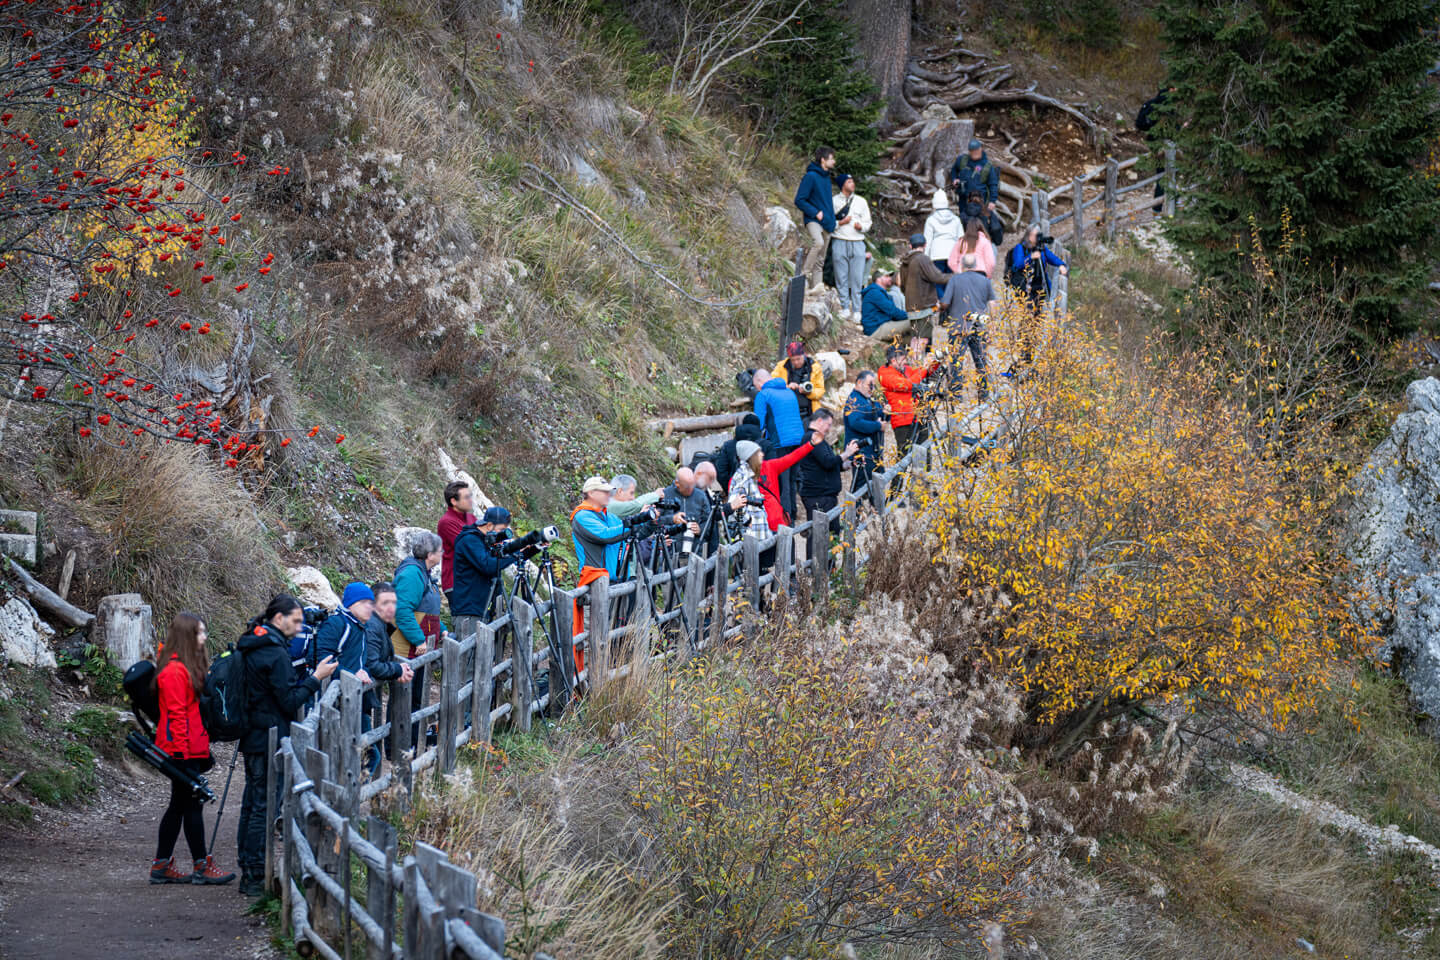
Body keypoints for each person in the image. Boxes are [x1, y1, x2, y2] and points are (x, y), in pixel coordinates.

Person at [238, 595, 338, 896]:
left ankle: (249, 865)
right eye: (295, 621)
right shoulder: (275, 653)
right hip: (270, 733)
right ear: (278, 619)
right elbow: (289, 700)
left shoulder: (252, 642)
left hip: (252, 732)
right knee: (264, 805)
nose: (299, 627)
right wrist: (316, 678)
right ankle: (255, 875)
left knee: (251, 801)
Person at [149, 612, 235, 887]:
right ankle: (201, 865)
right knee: (191, 806)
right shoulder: (174, 671)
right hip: (180, 751)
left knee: (179, 806)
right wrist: (183, 757)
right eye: (199, 632)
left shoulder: (184, 666)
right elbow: (177, 717)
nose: (204, 637)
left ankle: (162, 865)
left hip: (187, 749)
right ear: (187, 636)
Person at [727, 431, 822, 573]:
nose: (762, 454)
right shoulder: (741, 478)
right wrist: (747, 522)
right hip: (758, 530)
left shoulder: (770, 466)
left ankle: (787, 588)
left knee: (787, 561)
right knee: (760, 567)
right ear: (751, 457)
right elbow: (735, 504)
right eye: (759, 452)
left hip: (778, 524)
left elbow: (791, 458)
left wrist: (810, 445)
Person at [570, 476, 628, 672]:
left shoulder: (608, 515)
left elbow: (626, 533)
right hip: (593, 582)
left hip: (612, 582)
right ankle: (584, 683)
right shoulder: (582, 516)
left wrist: (649, 523)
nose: (609, 494)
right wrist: (631, 524)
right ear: (591, 493)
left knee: (608, 632)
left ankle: (603, 675)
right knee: (590, 633)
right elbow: (606, 536)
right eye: (604, 491)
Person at [362, 582, 413, 774]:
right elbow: (373, 665)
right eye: (385, 603)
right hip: (355, 700)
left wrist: (396, 669)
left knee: (367, 754)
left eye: (394, 602)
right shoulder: (373, 627)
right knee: (368, 755)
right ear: (373, 605)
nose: (391, 608)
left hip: (362, 700)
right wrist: (397, 670)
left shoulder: (380, 625)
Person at [1005, 225, 1068, 365]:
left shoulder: (1043, 249)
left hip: (1039, 289)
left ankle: (1032, 349)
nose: (1036, 238)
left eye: (1038, 235)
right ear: (1028, 236)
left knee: (1037, 319)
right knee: (1028, 317)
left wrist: (1062, 265)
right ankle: (1024, 350)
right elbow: (1017, 265)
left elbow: (1053, 259)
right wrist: (1031, 257)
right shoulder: (1020, 248)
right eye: (1034, 235)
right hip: (1025, 290)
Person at [940, 252, 998, 401]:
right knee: (981, 360)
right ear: (975, 265)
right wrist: (992, 323)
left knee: (956, 361)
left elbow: (945, 303)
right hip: (978, 327)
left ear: (963, 265)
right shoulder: (985, 281)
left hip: (959, 327)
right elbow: (992, 303)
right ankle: (984, 393)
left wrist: (941, 307)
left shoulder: (954, 280)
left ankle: (956, 394)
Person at [751, 368, 805, 522]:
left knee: (782, 483)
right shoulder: (789, 391)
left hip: (781, 442)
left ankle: (786, 520)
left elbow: (759, 423)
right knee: (792, 480)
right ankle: (793, 514)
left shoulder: (763, 395)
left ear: (759, 382)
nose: (757, 389)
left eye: (756, 386)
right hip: (798, 441)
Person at [795, 409, 859, 534]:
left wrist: (848, 464)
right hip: (818, 496)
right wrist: (847, 453)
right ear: (819, 421)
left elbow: (828, 465)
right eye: (828, 425)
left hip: (823, 495)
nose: (829, 429)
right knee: (819, 536)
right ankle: (817, 555)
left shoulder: (817, 440)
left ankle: (827, 554)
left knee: (830, 533)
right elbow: (828, 462)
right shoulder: (812, 438)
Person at [452, 507, 521, 621]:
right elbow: (488, 566)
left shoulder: (488, 540)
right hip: (469, 612)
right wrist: (514, 554)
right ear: (489, 526)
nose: (503, 535)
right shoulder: (470, 540)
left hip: (484, 609)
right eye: (501, 530)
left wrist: (533, 547)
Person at [793, 146, 838, 292]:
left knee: (820, 261)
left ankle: (816, 290)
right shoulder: (810, 176)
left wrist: (832, 220)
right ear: (823, 160)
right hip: (813, 219)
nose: (834, 162)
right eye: (832, 159)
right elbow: (799, 200)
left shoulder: (827, 178)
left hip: (828, 223)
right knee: (817, 243)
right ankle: (802, 276)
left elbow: (827, 202)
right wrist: (815, 212)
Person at [393, 531, 442, 661]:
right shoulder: (412, 574)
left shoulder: (424, 573)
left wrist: (441, 629)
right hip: (408, 651)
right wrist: (419, 640)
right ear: (430, 555)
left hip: (419, 649)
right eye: (440, 551)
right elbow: (402, 610)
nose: (442, 554)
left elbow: (427, 608)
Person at [878, 343, 935, 455]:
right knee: (904, 456)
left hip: (919, 415)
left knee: (924, 453)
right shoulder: (884, 374)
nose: (905, 362)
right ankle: (900, 473)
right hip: (903, 420)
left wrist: (934, 362)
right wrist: (924, 368)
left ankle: (922, 473)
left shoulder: (905, 369)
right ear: (894, 360)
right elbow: (907, 384)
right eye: (903, 359)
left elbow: (924, 372)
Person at [314, 582, 375, 683]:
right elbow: (321, 657)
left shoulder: (361, 627)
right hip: (331, 688)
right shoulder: (336, 623)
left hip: (353, 686)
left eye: (371, 603)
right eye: (363, 602)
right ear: (350, 604)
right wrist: (352, 674)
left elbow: (360, 663)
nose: (369, 607)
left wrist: (364, 672)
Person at [829, 173, 871, 320]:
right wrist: (840, 223)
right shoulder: (833, 201)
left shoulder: (861, 201)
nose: (852, 183)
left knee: (857, 278)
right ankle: (845, 307)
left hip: (858, 242)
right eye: (849, 181)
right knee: (841, 276)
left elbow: (868, 222)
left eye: (853, 181)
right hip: (839, 240)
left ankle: (857, 310)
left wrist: (862, 227)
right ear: (842, 185)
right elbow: (828, 223)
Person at [844, 371, 887, 494]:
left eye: (874, 385)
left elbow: (879, 412)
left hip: (873, 450)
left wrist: (885, 412)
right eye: (870, 385)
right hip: (862, 450)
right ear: (859, 382)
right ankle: (856, 512)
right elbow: (855, 422)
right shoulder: (854, 400)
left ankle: (877, 510)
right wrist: (878, 425)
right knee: (860, 487)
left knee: (878, 482)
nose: (872, 389)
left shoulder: (868, 399)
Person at [436, 481, 475, 608]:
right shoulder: (446, 522)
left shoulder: (471, 518)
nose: (471, 500)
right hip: (456, 583)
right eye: (466, 497)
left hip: (472, 582)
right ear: (453, 501)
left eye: (470, 496)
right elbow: (470, 547)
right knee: (465, 624)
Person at [769, 341, 825, 422]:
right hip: (786, 411)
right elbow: (772, 384)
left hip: (809, 412)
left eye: (798, 359)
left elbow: (820, 391)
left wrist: (809, 392)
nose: (796, 362)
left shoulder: (815, 368)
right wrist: (787, 387)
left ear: (804, 355)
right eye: (793, 360)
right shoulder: (781, 367)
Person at [898, 232, 952, 313]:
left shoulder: (904, 262)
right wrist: (957, 276)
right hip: (924, 307)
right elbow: (938, 277)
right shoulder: (923, 259)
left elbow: (902, 286)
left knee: (916, 326)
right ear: (925, 245)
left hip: (910, 307)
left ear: (910, 246)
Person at [664, 465, 711, 554]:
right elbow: (656, 521)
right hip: (671, 552)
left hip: (696, 551)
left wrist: (700, 529)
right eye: (687, 487)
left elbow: (709, 520)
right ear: (677, 483)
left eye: (692, 485)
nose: (690, 490)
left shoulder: (700, 495)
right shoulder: (665, 495)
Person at [715, 413, 764, 496]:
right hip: (761, 495)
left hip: (736, 495)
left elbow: (721, 471)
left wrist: (730, 489)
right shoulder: (763, 445)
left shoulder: (728, 445)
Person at [923, 189, 963, 284]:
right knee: (952, 280)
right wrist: (961, 255)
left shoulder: (931, 220)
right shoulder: (956, 219)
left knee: (938, 281)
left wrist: (926, 257)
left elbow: (927, 241)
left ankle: (941, 298)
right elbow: (961, 238)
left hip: (936, 254)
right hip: (953, 253)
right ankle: (950, 298)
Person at [950, 138, 1000, 212]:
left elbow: (993, 184)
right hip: (963, 199)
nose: (975, 153)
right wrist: (954, 179)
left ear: (981, 149)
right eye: (972, 151)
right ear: (969, 151)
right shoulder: (962, 160)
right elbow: (954, 170)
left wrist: (992, 201)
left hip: (979, 201)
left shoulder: (987, 166)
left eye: (977, 150)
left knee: (979, 221)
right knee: (964, 219)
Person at [860, 269, 910, 342]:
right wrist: (913, 315)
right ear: (879, 279)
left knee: (912, 336)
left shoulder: (880, 292)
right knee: (916, 321)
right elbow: (893, 312)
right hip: (876, 330)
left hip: (882, 325)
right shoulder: (875, 293)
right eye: (887, 276)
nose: (890, 278)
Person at [948, 214, 996, 279]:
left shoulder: (961, 242)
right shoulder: (985, 241)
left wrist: (958, 271)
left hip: (963, 272)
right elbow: (991, 262)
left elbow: (951, 262)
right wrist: (988, 275)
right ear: (981, 227)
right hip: (981, 273)